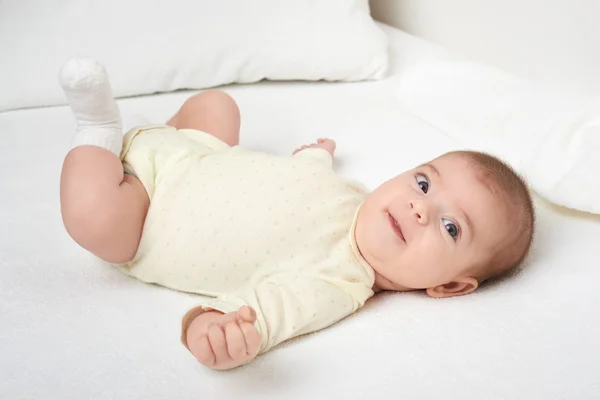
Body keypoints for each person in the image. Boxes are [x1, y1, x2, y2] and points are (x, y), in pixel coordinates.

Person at [59, 57, 535, 371]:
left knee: (91, 219)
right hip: (193, 154)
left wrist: (216, 326)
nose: (418, 208)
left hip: (144, 214)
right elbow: (305, 180)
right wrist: (315, 154)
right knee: (218, 105)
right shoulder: (357, 196)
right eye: (424, 183)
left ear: (449, 286)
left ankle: (98, 130)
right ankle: (152, 137)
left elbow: (269, 309)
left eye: (450, 227)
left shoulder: (340, 281)